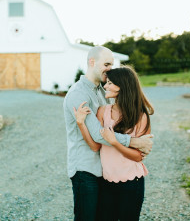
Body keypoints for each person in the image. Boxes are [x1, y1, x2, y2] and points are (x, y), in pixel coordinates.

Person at [63, 46, 153, 221]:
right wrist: (135, 142)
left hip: (104, 170)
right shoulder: (78, 94)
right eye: (106, 64)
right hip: (85, 168)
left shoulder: (101, 92)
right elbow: (98, 135)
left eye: (112, 64)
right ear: (92, 62)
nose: (110, 69)